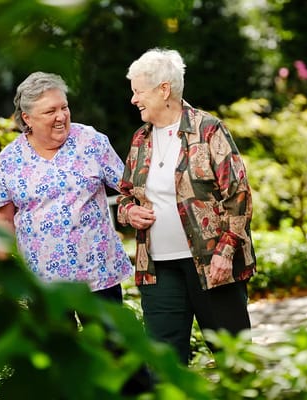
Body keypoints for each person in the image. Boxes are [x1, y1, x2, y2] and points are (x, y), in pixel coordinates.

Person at [118, 48, 256, 364]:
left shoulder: (208, 129)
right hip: (158, 268)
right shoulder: (141, 139)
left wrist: (226, 252)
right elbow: (126, 194)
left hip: (213, 266)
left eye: (138, 92)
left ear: (164, 89)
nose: (134, 100)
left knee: (235, 360)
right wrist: (130, 212)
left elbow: (238, 195)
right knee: (165, 365)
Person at [0, 71, 133, 303]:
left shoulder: (92, 142)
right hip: (42, 284)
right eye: (50, 111)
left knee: (107, 341)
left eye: (63, 107)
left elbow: (130, 187)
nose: (61, 116)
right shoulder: (8, 161)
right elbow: (4, 219)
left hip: (98, 277)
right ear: (27, 118)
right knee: (56, 341)